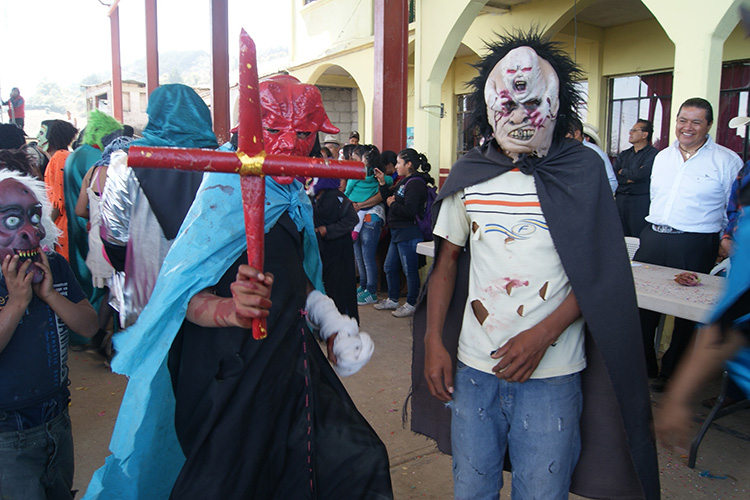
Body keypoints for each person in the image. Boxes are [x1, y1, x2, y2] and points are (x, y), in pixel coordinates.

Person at [84, 75, 391, 500]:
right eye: (273, 131)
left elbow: (293, 274)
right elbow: (178, 295)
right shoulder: (220, 190)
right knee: (233, 483)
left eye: (302, 133)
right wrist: (227, 309)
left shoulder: (291, 194)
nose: (288, 146)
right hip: (225, 372)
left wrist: (330, 320)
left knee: (355, 462)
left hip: (288, 358)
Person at [411, 31, 659, 499]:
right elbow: (446, 263)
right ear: (489, 106)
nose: (521, 116)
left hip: (553, 373)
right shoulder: (472, 174)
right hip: (474, 367)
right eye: (509, 104)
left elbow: (601, 273)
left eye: (533, 103)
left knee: (542, 490)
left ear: (556, 102)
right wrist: (432, 342)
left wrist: (542, 336)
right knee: (472, 486)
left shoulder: (582, 171)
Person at [0, 169, 98, 500]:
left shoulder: (53, 265)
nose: (30, 232)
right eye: (11, 222)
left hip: (56, 416)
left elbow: (88, 326)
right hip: (7, 433)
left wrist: (51, 295)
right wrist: (16, 303)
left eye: (34, 217)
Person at [637, 97, 742, 391]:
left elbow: (731, 206)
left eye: (696, 121)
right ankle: (644, 365)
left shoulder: (726, 160)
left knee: (686, 314)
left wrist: (724, 240)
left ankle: (672, 375)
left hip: (695, 242)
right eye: (682, 120)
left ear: (709, 125)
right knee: (642, 308)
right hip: (654, 237)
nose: (687, 127)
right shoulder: (662, 156)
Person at [99, 84, 215, 329]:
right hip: (211, 293)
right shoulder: (225, 164)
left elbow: (114, 236)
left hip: (148, 291)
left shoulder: (126, 164)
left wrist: (131, 265)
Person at [64, 110, 123, 333]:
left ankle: (92, 338)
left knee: (98, 289)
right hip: (109, 239)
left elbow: (81, 208)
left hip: (87, 233)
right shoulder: (112, 167)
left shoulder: (83, 160)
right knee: (112, 292)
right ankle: (101, 340)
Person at [75, 135, 133, 358]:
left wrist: (97, 213)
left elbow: (80, 210)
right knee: (122, 293)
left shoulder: (91, 173)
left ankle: (99, 338)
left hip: (97, 240)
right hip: (118, 242)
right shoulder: (125, 173)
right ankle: (116, 346)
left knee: (111, 291)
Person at [373, 148, 433, 318]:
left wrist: (392, 204)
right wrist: (383, 183)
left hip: (409, 233)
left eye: (399, 162)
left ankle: (412, 303)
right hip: (398, 232)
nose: (397, 166)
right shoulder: (404, 181)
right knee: (389, 266)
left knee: (410, 270)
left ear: (409, 164)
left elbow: (409, 210)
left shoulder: (415, 184)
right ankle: (392, 299)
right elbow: (389, 197)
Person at [344, 144, 393, 304]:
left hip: (369, 216)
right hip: (363, 214)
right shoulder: (378, 176)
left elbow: (348, 191)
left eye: (358, 158)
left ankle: (370, 290)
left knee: (365, 255)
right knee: (361, 253)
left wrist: (351, 203)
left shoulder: (359, 175)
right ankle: (364, 286)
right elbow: (389, 180)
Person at [313, 176, 360, 321]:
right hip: (326, 249)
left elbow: (353, 219)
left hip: (340, 249)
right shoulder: (316, 197)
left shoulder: (338, 198)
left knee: (340, 285)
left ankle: (339, 321)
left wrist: (327, 230)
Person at [39, 119, 78, 260]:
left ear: (52, 136)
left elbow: (59, 202)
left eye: (42, 133)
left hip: (62, 226)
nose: (38, 136)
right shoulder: (61, 156)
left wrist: (46, 229)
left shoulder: (59, 157)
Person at [613, 119, 658, 237]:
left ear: (645, 134)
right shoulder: (624, 154)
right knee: (619, 235)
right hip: (621, 199)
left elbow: (641, 174)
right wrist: (628, 178)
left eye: (634, 130)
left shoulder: (653, 154)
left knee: (637, 236)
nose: (630, 133)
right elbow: (615, 175)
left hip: (639, 201)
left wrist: (623, 171)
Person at [567, 116, 617, 193]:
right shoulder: (561, 151)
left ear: (576, 133)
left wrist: (591, 198)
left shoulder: (595, 152)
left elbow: (611, 182)